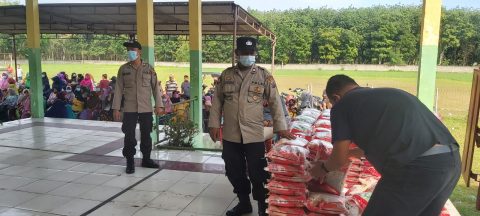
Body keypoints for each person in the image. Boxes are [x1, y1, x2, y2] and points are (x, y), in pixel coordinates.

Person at [309, 75, 461, 216]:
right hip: (450, 161)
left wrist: (322, 168)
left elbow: (337, 160)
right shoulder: (383, 95)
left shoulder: (342, 105)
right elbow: (374, 144)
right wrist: (349, 154)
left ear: (336, 98)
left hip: (417, 167)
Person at [208, 37, 295, 216]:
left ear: (255, 53)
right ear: (236, 54)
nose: (248, 56)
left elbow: (275, 102)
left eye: (251, 53)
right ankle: (244, 203)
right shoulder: (226, 75)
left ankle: (263, 206)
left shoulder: (264, 75)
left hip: (254, 134)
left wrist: (281, 127)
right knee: (233, 170)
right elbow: (217, 102)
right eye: (244, 53)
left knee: (258, 173)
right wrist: (214, 124)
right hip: (231, 134)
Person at [112, 40, 164, 174]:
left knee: (146, 135)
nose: (130, 53)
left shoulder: (149, 68)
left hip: (146, 108)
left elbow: (155, 88)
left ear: (139, 52)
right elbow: (118, 89)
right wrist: (116, 108)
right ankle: (130, 161)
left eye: (133, 50)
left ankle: (146, 159)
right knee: (129, 136)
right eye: (128, 50)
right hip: (129, 108)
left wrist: (159, 105)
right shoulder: (124, 69)